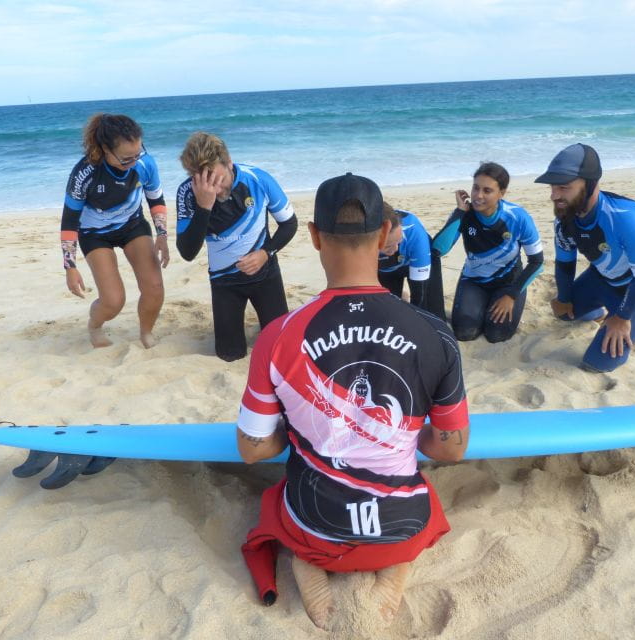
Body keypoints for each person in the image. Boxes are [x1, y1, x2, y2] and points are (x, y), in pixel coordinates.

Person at [236, 173, 470, 630]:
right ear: (385, 234)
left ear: (314, 236)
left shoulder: (278, 335)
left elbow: (252, 449)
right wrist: (401, 433)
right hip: (401, 525)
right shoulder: (434, 332)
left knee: (277, 506)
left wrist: (296, 428)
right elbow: (451, 448)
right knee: (426, 506)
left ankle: (309, 564)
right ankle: (396, 566)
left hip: (316, 523)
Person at [535, 143, 635, 372]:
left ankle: (622, 317)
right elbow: (565, 263)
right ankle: (598, 309)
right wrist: (565, 297)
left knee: (597, 363)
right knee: (565, 314)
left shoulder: (630, 220)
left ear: (590, 184)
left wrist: (622, 317)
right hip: (603, 278)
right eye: (552, 187)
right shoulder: (566, 217)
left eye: (563, 187)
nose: (554, 196)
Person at [176, 132, 298, 361]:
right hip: (224, 283)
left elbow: (289, 224)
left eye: (218, 179)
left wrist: (266, 253)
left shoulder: (258, 179)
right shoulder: (188, 192)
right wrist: (204, 206)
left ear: (228, 162)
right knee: (229, 354)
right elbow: (187, 252)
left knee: (280, 347)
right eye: (205, 181)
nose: (215, 188)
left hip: (265, 275)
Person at [61, 113, 169, 349]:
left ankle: (146, 332)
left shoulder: (144, 164)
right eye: (125, 159)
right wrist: (70, 266)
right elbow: (69, 222)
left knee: (155, 287)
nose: (133, 162)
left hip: (132, 225)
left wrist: (162, 235)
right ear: (104, 150)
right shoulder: (85, 173)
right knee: (113, 301)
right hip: (94, 234)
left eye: (137, 154)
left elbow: (156, 199)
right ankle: (95, 325)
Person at [432, 162, 544, 343]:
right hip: (474, 281)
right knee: (464, 333)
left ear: (502, 193)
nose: (478, 196)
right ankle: (479, 306)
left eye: (487, 190)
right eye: (475, 188)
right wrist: (460, 212)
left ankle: (499, 303)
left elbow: (537, 262)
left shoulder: (517, 217)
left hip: (508, 283)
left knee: (496, 335)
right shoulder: (465, 214)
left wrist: (512, 295)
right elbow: (438, 249)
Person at [378, 203, 447, 320]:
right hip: (386, 267)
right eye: (388, 246)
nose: (395, 248)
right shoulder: (360, 240)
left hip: (417, 256)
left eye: (398, 242)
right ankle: (402, 297)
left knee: (431, 315)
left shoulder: (413, 230)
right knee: (386, 315)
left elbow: (419, 293)